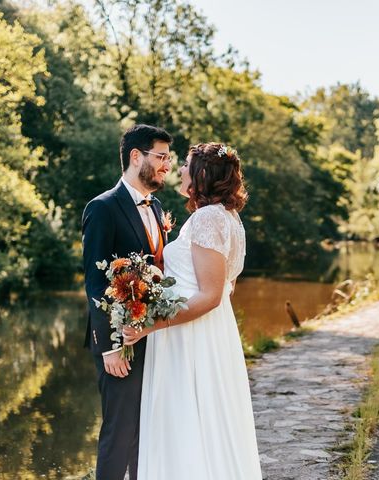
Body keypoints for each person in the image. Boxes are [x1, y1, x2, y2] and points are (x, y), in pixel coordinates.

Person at [123, 142, 263, 479]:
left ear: (201, 174)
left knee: (186, 417)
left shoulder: (207, 219)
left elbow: (211, 295)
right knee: (202, 419)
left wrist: (150, 325)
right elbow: (226, 287)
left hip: (190, 336)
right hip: (206, 330)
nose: (180, 170)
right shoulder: (227, 217)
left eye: (185, 165)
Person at [82, 124, 173, 480]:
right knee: (118, 434)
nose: (167, 165)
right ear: (137, 157)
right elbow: (95, 281)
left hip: (153, 335)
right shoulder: (102, 207)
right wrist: (109, 346)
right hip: (120, 343)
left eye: (168, 158)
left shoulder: (158, 206)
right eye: (161, 156)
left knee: (147, 433)